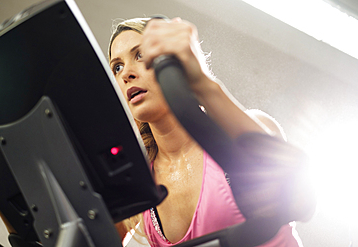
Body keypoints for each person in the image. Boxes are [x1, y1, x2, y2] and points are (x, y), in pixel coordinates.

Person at [108, 17, 315, 247]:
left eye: (139, 55)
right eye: (117, 67)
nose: (126, 73)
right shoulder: (140, 185)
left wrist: (202, 82)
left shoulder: (246, 131)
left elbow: (301, 201)